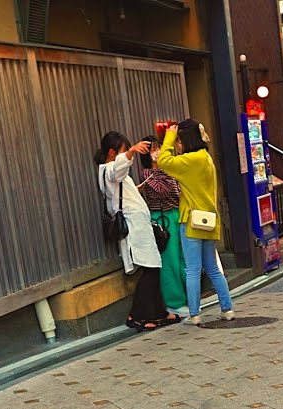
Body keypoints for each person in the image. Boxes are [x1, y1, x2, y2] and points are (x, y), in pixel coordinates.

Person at [95, 131, 177, 331]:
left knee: (153, 267)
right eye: (123, 150)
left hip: (140, 224)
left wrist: (136, 189)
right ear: (112, 152)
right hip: (135, 226)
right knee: (150, 269)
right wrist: (131, 152)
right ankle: (139, 315)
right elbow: (118, 170)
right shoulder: (108, 169)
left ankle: (158, 312)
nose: (127, 155)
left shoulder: (110, 171)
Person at [157, 119, 235, 326]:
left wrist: (168, 137)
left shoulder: (189, 160)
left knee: (192, 269)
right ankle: (227, 309)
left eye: (179, 141)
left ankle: (194, 314)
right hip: (209, 220)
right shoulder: (206, 158)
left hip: (191, 220)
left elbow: (163, 161)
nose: (177, 145)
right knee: (213, 268)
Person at [137, 136, 188, 319]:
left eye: (159, 148)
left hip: (176, 214)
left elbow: (177, 192)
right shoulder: (147, 173)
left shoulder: (169, 169)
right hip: (162, 218)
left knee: (183, 258)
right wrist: (167, 170)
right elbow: (164, 191)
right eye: (153, 149)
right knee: (169, 260)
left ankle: (188, 297)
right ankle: (174, 302)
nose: (157, 152)